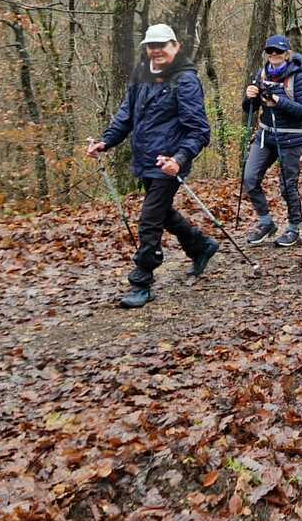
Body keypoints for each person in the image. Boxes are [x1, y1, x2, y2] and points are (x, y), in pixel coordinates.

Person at [87, 24, 216, 308]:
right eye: (151, 46)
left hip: (169, 162)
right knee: (162, 213)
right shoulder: (142, 73)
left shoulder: (185, 80)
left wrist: (179, 159)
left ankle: (142, 281)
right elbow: (126, 115)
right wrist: (105, 142)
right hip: (144, 159)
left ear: (175, 46)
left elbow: (199, 131)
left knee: (149, 219)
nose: (156, 51)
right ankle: (201, 246)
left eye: (162, 45)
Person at [240, 34, 302, 247]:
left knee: (287, 185)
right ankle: (266, 222)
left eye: (278, 51)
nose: (273, 54)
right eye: (269, 51)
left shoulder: (298, 76)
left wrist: (279, 100)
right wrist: (250, 96)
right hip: (266, 136)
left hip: (291, 138)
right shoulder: (261, 74)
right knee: (249, 178)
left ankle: (294, 228)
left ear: (286, 53)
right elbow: (250, 109)